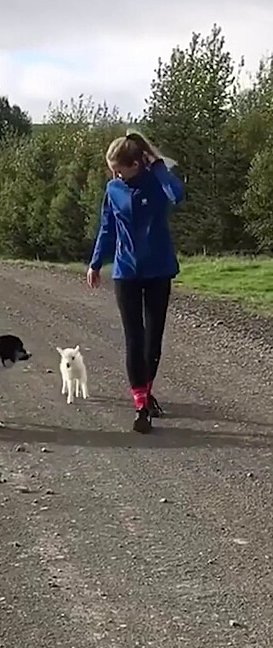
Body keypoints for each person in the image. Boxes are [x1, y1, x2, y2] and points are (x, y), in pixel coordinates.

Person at [86, 131, 184, 434]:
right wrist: (95, 262)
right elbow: (107, 227)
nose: (115, 174)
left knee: (153, 341)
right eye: (112, 169)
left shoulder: (157, 181)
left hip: (158, 270)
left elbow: (177, 195)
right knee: (134, 338)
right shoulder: (113, 189)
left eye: (119, 168)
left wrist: (157, 166)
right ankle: (141, 404)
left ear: (136, 164)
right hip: (126, 272)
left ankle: (147, 390)